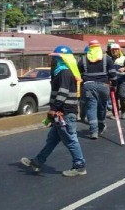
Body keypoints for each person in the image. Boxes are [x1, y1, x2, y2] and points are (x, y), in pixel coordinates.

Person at [20, 45, 86, 177]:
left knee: (71, 140)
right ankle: (37, 162)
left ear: (62, 59)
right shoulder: (61, 72)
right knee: (52, 140)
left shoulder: (64, 72)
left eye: (55, 58)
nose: (52, 61)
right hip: (61, 113)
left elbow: (63, 93)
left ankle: (79, 166)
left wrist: (55, 109)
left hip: (65, 113)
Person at [78, 40, 116, 139]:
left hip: (88, 86)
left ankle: (93, 131)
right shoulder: (107, 59)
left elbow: (78, 74)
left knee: (91, 108)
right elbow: (113, 74)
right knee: (102, 108)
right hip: (103, 86)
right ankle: (101, 126)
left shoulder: (83, 60)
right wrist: (114, 85)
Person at [109, 43, 125, 119]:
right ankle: (115, 113)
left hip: (122, 80)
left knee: (122, 95)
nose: (114, 51)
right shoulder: (109, 59)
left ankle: (123, 110)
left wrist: (124, 68)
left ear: (119, 50)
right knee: (113, 98)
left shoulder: (123, 59)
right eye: (113, 50)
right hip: (112, 82)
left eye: (116, 50)